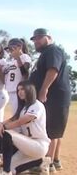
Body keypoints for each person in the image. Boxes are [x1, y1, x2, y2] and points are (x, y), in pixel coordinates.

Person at [29, 28, 71, 172]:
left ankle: (46, 165)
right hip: (54, 96)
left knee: (50, 131)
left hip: (53, 96)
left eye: (40, 37)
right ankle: (55, 161)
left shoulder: (52, 50)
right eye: (34, 39)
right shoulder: (45, 53)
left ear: (49, 37)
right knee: (55, 131)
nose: (36, 41)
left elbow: (53, 69)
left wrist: (43, 89)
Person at [0, 80, 51, 175]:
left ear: (30, 90)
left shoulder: (37, 105)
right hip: (27, 146)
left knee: (7, 133)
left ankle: (6, 172)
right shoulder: (24, 108)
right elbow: (13, 119)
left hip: (38, 145)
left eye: (23, 89)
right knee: (13, 168)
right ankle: (41, 161)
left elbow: (22, 121)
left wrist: (4, 126)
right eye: (18, 90)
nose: (19, 92)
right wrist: (0, 124)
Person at [4, 38, 31, 115]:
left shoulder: (25, 57)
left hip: (19, 91)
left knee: (18, 115)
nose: (10, 51)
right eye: (9, 49)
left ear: (19, 47)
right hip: (11, 91)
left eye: (11, 48)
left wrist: (18, 57)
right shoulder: (12, 61)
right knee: (15, 114)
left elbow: (25, 73)